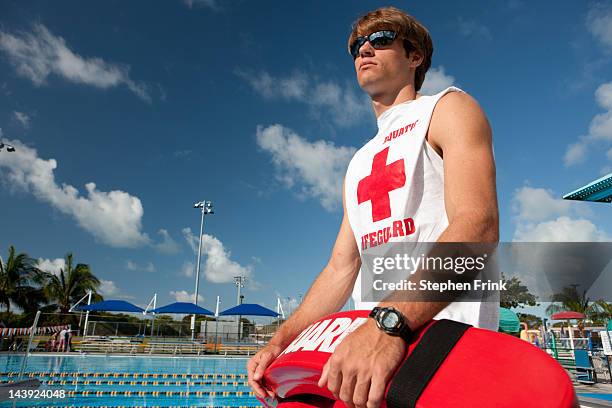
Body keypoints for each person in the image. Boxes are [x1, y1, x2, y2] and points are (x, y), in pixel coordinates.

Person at [247, 6, 499, 408]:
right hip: (369, 366)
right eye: (357, 45)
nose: (365, 48)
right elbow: (339, 269)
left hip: (442, 352)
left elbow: (478, 227)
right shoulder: (359, 161)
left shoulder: (447, 108)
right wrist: (281, 341)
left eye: (381, 39)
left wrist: (389, 324)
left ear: (414, 57)